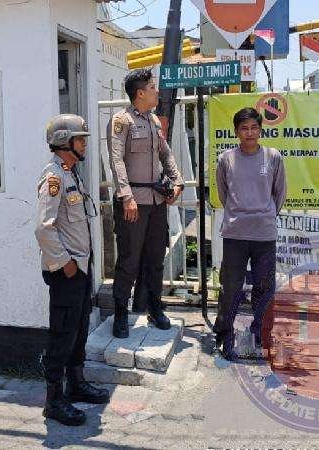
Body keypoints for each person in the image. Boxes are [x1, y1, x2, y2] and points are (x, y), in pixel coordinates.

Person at [35, 114, 111, 427]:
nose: (84, 144)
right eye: (80, 139)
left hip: (79, 266)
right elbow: (44, 228)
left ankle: (76, 384)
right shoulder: (54, 178)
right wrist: (65, 263)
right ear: (65, 141)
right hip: (67, 270)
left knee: (78, 329)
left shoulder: (70, 173)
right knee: (62, 333)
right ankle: (54, 400)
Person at [106, 68, 185, 338]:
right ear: (140, 93)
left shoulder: (153, 120)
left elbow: (166, 154)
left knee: (155, 258)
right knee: (129, 261)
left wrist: (178, 181)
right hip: (133, 204)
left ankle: (155, 307)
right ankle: (120, 313)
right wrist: (126, 196)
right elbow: (116, 160)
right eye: (152, 87)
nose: (157, 91)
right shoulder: (121, 120)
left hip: (156, 201)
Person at [213, 107, 286, 360]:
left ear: (261, 130)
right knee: (230, 287)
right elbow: (223, 193)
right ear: (236, 131)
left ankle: (260, 333)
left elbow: (279, 193)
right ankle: (225, 334)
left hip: (264, 234)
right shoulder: (226, 159)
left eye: (254, 128)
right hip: (235, 233)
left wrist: (265, 215)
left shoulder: (273, 157)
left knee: (264, 286)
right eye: (244, 128)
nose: (250, 133)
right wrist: (239, 213)